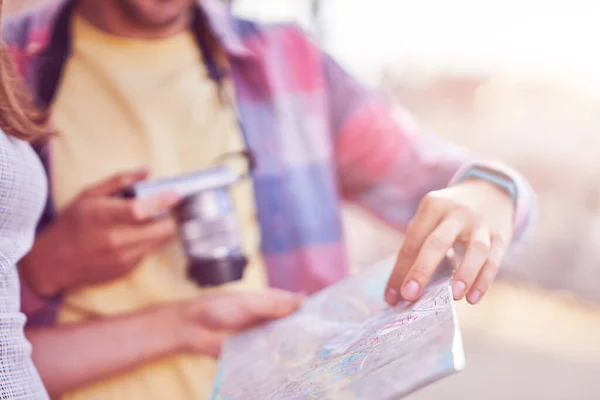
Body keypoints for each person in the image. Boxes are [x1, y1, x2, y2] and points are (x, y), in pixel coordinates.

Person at [4, 0, 534, 399]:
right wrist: (41, 269)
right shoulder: (13, 69)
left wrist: (489, 192)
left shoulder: (291, 61)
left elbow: (445, 176)